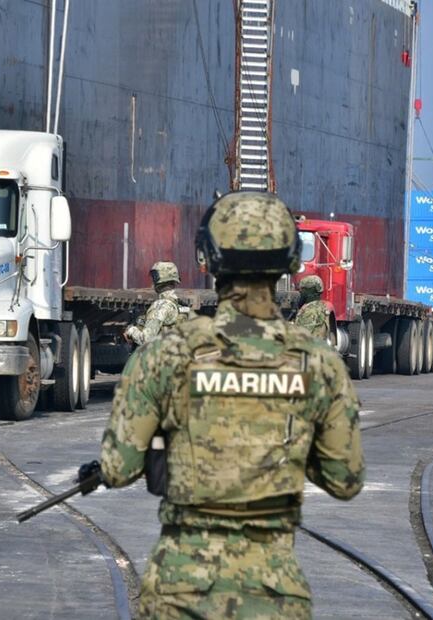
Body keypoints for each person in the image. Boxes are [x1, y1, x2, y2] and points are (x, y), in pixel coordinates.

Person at [97, 191, 364, 618]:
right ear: (291, 263)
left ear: (208, 260)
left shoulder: (166, 355)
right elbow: (345, 479)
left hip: (181, 590)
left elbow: (117, 467)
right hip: (274, 593)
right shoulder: (318, 363)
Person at [125, 261, 183, 346]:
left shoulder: (161, 306)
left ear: (159, 279)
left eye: (154, 277)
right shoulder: (180, 304)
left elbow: (145, 339)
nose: (153, 280)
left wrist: (130, 330)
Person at [292, 275, 330, 341]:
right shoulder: (321, 306)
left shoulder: (310, 311)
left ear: (309, 291)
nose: (300, 292)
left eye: (302, 289)